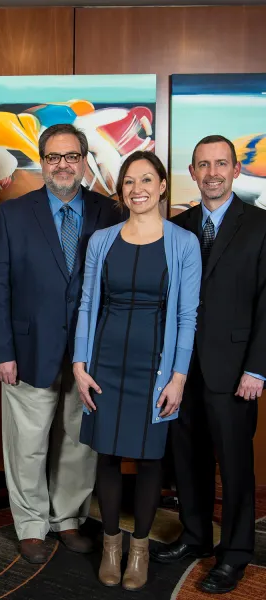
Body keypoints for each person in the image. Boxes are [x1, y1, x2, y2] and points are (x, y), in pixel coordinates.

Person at [0, 123, 125, 564]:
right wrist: (1, 351)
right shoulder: (13, 213)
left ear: (84, 160)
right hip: (27, 350)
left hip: (90, 353)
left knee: (78, 441)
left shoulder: (110, 213)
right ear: (41, 162)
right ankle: (30, 525)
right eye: (53, 157)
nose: (62, 165)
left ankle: (67, 519)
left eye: (71, 156)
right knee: (27, 442)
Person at [73, 151, 201, 590]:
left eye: (147, 180)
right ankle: (112, 544)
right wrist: (79, 363)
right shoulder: (102, 240)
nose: (137, 189)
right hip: (104, 361)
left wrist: (179, 376)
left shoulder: (183, 243)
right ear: (121, 188)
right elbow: (88, 303)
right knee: (106, 456)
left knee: (149, 459)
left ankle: (140, 548)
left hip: (156, 366)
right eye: (129, 181)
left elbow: (188, 316)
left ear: (163, 186)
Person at [152, 135, 266, 594]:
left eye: (221, 164)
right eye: (203, 165)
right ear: (193, 173)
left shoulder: (260, 225)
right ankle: (196, 536)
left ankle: (235, 552)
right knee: (187, 458)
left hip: (236, 370)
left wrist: (257, 370)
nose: (212, 172)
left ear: (236, 170)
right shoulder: (177, 227)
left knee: (235, 465)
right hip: (183, 370)